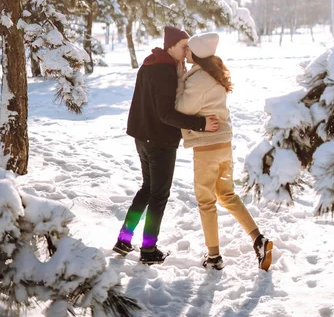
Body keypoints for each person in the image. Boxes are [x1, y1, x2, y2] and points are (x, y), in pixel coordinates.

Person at [113, 26, 219, 264]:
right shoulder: (164, 70)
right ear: (170, 45)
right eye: (183, 47)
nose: (186, 52)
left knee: (148, 189)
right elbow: (166, 114)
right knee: (159, 195)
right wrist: (200, 123)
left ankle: (124, 238)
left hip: (143, 137)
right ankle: (149, 251)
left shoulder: (150, 64)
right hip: (159, 141)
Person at [175, 31, 273, 271]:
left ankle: (214, 257)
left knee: (206, 201)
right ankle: (258, 239)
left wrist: (179, 81)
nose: (185, 52)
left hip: (206, 146)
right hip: (223, 144)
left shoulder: (197, 80)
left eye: (189, 49)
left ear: (196, 53)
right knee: (227, 195)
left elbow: (181, 108)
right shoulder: (214, 73)